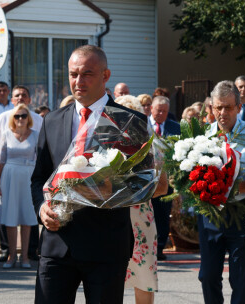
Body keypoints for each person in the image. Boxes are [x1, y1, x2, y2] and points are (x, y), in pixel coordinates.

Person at [31, 45, 148, 304]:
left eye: (87, 74)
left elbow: (144, 182)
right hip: (57, 244)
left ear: (106, 76)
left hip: (105, 246)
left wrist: (111, 191)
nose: (78, 81)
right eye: (73, 74)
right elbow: (39, 177)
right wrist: (42, 209)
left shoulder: (129, 121)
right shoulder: (51, 120)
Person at [200, 80, 245, 304]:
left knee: (240, 278)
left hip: (241, 211)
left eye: (228, 107)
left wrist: (230, 186)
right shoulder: (204, 136)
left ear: (238, 107)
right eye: (218, 107)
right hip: (210, 213)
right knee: (207, 276)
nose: (222, 112)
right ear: (212, 108)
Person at [115, 95, 165, 304]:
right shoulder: (105, 145)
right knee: (110, 278)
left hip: (140, 217)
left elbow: (162, 187)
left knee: (143, 276)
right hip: (111, 219)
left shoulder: (153, 145)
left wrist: (129, 193)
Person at [0, 85, 42, 263]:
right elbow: (1, 160)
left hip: (28, 176)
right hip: (10, 176)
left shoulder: (36, 134)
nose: (20, 118)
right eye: (17, 116)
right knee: (10, 216)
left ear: (28, 117)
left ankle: (25, 256)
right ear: (12, 118)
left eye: (24, 115)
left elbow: (40, 159)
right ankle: (11, 255)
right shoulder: (6, 134)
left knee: (28, 217)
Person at [148, 95, 181, 261]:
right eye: (158, 110)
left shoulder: (175, 128)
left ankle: (160, 247)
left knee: (162, 214)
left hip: (166, 177)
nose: (161, 113)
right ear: (151, 109)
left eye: (165, 111)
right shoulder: (143, 124)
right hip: (147, 177)